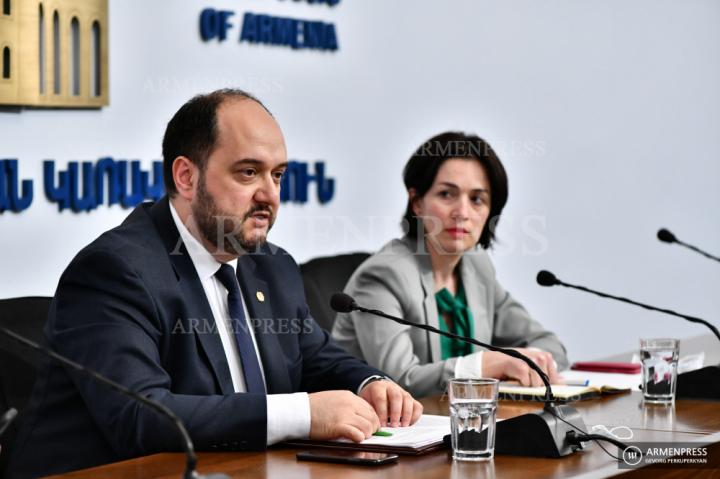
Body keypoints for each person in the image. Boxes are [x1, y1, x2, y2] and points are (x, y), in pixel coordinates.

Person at [8, 89, 422, 477]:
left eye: (277, 176)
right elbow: (143, 416)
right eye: (248, 173)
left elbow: (315, 357)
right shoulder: (115, 271)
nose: (270, 196)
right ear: (186, 177)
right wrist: (304, 415)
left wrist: (371, 384)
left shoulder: (272, 266)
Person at [332, 132, 568, 398]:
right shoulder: (384, 275)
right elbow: (398, 382)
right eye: (447, 194)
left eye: (477, 199)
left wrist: (539, 364)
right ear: (417, 202)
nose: (462, 212)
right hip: (381, 432)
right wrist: (483, 365)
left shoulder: (477, 268)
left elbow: (549, 345)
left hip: (464, 428)